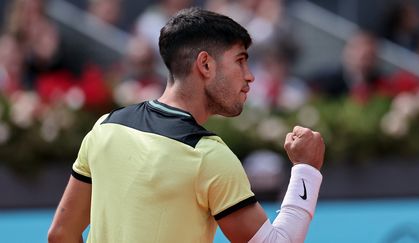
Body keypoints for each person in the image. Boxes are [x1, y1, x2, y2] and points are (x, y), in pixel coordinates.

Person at [48, 7, 325, 243]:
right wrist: (306, 170)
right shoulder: (207, 156)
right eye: (240, 61)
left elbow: (60, 234)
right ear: (205, 65)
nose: (250, 76)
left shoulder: (105, 127)